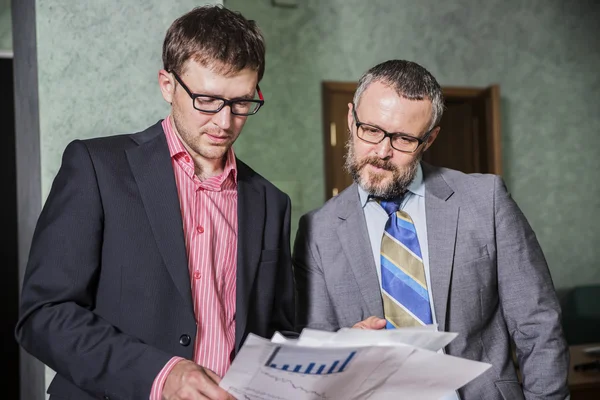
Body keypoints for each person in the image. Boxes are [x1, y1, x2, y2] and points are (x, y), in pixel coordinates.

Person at [16, 5, 295, 400]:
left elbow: (275, 336)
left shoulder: (271, 202)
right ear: (167, 84)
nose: (224, 122)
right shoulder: (96, 167)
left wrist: (341, 351)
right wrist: (161, 376)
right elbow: (43, 316)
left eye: (241, 102)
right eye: (207, 100)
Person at [293, 59, 569, 399]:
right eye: (371, 130)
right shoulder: (316, 230)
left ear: (429, 139)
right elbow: (314, 348)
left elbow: (538, 325)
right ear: (351, 119)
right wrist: (344, 347)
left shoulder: (487, 201)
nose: (382, 151)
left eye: (404, 139)